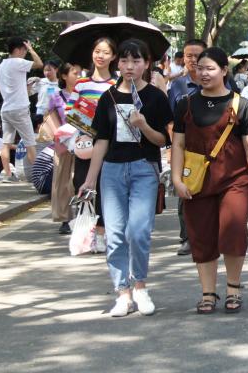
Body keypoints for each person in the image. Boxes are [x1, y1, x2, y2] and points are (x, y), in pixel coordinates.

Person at [80, 39, 173, 318]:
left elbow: (163, 140)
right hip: (112, 171)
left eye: (136, 61)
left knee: (138, 231)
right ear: (117, 63)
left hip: (145, 168)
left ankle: (140, 286)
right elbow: (101, 141)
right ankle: (123, 293)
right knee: (115, 234)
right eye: (124, 60)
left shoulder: (156, 97)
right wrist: (90, 180)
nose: (130, 66)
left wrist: (143, 124)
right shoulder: (107, 98)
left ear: (147, 63)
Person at [171, 47, 248, 314]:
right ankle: (208, 293)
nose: (204, 73)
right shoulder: (185, 104)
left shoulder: (240, 105)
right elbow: (178, 144)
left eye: (210, 68)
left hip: (235, 181)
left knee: (233, 232)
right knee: (201, 236)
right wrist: (176, 179)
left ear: (224, 71)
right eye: (200, 68)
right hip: (197, 182)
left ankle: (233, 289)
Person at [70, 36, 118, 254]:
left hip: (109, 143)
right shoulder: (81, 83)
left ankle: (101, 233)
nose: (101, 56)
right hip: (85, 142)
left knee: (104, 187)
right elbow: (70, 111)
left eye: (106, 52)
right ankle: (87, 233)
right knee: (83, 184)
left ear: (113, 56)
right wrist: (84, 124)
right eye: (98, 51)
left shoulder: (116, 84)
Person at [167, 38, 206, 257]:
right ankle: (187, 238)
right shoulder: (177, 86)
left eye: (197, 55)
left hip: (214, 148)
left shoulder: (219, 81)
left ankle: (211, 235)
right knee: (185, 192)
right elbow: (170, 121)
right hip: (186, 149)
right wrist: (173, 149)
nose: (192, 60)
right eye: (188, 55)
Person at [0, 36, 43, 181]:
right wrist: (32, 49)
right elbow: (39, 64)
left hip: (6, 109)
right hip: (20, 108)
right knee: (30, 142)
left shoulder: (1, 66)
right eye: (24, 50)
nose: (25, 53)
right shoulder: (17, 62)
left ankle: (8, 175)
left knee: (6, 143)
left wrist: (22, 87)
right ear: (18, 49)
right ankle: (39, 177)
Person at [45, 61, 82, 234]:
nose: (79, 77)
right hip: (62, 144)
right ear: (64, 76)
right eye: (75, 73)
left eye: (80, 73)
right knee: (61, 181)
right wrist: (58, 133)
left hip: (83, 142)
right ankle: (64, 218)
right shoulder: (56, 97)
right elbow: (49, 117)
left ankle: (83, 213)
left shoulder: (85, 94)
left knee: (80, 179)